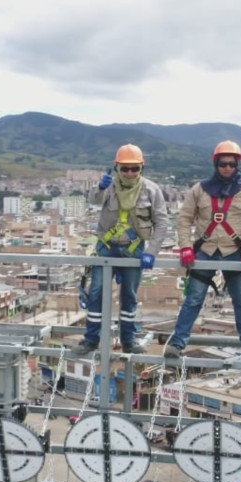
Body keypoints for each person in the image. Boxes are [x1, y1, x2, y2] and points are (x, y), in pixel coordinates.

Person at [164, 140, 241, 360]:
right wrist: (186, 247)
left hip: (233, 250)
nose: (227, 168)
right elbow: (184, 219)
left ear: (237, 165)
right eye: (223, 164)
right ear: (216, 164)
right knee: (194, 298)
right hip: (204, 249)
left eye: (231, 164)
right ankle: (177, 343)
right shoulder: (199, 189)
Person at [72, 144, 169, 354]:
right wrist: (99, 187)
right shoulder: (109, 187)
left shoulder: (151, 190)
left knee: (130, 296)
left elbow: (161, 222)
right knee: (96, 293)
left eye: (134, 169)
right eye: (124, 169)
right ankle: (91, 340)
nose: (130, 173)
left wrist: (151, 252)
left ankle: (128, 340)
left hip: (133, 248)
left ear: (141, 168)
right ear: (117, 168)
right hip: (106, 247)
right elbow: (94, 200)